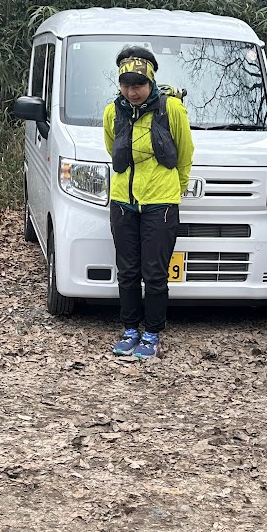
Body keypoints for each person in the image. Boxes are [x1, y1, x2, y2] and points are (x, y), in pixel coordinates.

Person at [104, 46, 194, 360]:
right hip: (122, 201)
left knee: (155, 273)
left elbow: (185, 154)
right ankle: (130, 329)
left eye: (139, 85)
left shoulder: (171, 109)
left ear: (151, 81)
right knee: (127, 271)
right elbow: (111, 147)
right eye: (126, 85)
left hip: (161, 204)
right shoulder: (112, 111)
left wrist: (173, 191)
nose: (132, 92)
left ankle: (152, 333)